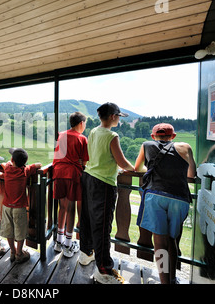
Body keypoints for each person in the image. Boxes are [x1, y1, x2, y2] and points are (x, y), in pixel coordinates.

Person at [135, 123, 196, 284]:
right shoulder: (185, 146)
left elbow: (137, 167)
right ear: (173, 136)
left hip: (155, 195)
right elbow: (192, 174)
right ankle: (173, 278)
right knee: (172, 240)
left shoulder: (146, 145)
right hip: (180, 198)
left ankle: (164, 282)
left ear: (153, 136)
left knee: (160, 242)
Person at [80, 102, 134, 284]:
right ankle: (103, 271)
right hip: (103, 183)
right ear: (112, 116)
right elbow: (122, 161)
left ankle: (86, 253)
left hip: (88, 177)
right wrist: (132, 168)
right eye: (118, 116)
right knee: (102, 226)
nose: (119, 119)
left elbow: (94, 155)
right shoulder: (112, 136)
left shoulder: (94, 131)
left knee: (87, 219)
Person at [52, 112, 89, 258]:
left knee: (63, 207)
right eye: (85, 123)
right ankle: (68, 244)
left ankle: (58, 241)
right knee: (71, 209)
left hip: (58, 172)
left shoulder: (61, 135)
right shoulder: (81, 138)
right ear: (81, 123)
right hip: (73, 174)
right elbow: (85, 161)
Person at [0, 148, 42, 264]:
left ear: (12, 159)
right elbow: (39, 164)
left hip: (7, 206)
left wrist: (10, 162)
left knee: (9, 230)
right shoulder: (25, 171)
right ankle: (19, 253)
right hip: (19, 207)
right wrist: (27, 165)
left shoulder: (7, 168)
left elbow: (4, 163)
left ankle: (12, 251)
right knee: (20, 230)